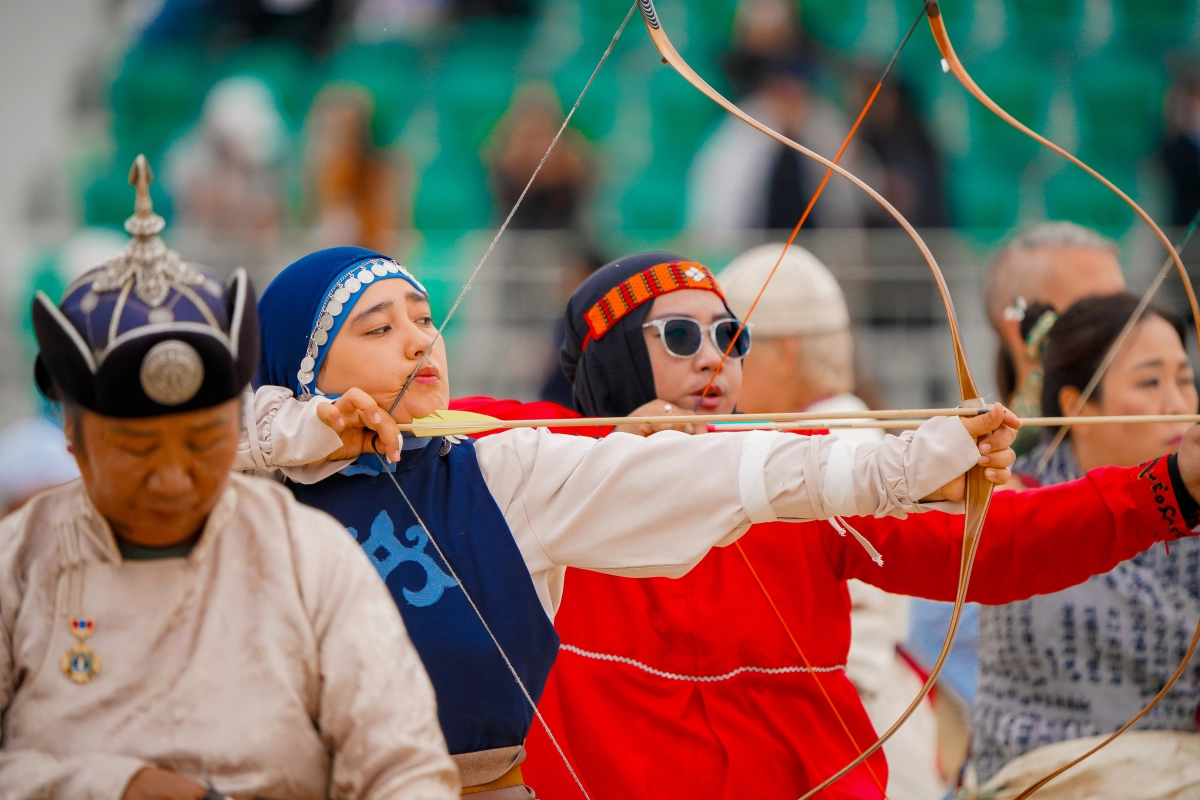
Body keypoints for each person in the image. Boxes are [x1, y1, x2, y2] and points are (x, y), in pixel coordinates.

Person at [242, 247, 1016, 797]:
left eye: (423, 316)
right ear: (300, 367)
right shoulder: (244, 494)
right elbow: (141, 449)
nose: (418, 339)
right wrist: (295, 434)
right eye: (377, 330)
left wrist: (914, 467)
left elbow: (745, 472)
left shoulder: (500, 466)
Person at [500, 253, 1200, 800]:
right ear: (613, 354)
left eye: (731, 336)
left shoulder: (796, 476)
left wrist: (1170, 488)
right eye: (680, 336)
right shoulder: (538, 470)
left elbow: (998, 544)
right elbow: (438, 432)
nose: (714, 357)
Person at [0, 159, 458, 800]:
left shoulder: (309, 559)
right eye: (135, 448)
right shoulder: (18, 566)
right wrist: (118, 786)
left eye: (204, 442)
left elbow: (403, 767)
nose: (172, 479)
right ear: (72, 439)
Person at [719, 243, 945, 799]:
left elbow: (847, 639)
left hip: (855, 734)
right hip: (852, 731)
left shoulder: (835, 447)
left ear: (786, 352)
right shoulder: (834, 438)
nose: (717, 364)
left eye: (734, 343)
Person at [970, 294, 1200, 798]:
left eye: (1185, 379)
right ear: (1077, 405)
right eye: (1149, 382)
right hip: (1032, 778)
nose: (1178, 404)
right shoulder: (1012, 502)